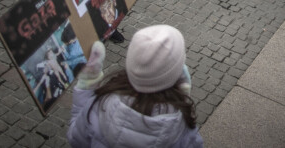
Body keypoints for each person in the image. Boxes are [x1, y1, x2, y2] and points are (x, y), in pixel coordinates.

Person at [67, 26, 202, 147]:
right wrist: (182, 99)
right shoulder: (180, 127)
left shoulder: (101, 104)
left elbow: (76, 139)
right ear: (177, 75)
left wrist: (87, 85)